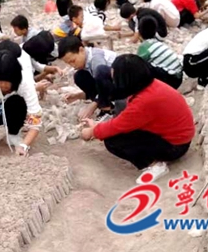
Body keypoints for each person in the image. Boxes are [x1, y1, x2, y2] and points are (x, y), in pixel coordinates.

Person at [80, 54, 195, 183]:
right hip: (178, 136)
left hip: (175, 146)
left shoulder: (144, 101)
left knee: (113, 141)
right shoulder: (151, 85)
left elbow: (118, 126)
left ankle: (155, 165)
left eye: (115, 76)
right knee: (119, 124)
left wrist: (92, 132)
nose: (113, 78)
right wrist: (99, 126)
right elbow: (125, 120)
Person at [58, 36, 117, 120]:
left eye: (73, 61)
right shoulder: (86, 61)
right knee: (80, 76)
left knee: (100, 71)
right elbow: (99, 87)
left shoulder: (96, 59)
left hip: (124, 86)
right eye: (69, 63)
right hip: (112, 86)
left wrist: (93, 105)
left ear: (81, 50)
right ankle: (105, 107)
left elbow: (104, 82)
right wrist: (78, 96)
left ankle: (107, 109)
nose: (72, 65)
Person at [137, 17, 183, 89]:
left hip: (171, 80)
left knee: (141, 65)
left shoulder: (145, 46)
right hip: (178, 77)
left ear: (139, 32)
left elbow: (137, 63)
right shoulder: (157, 43)